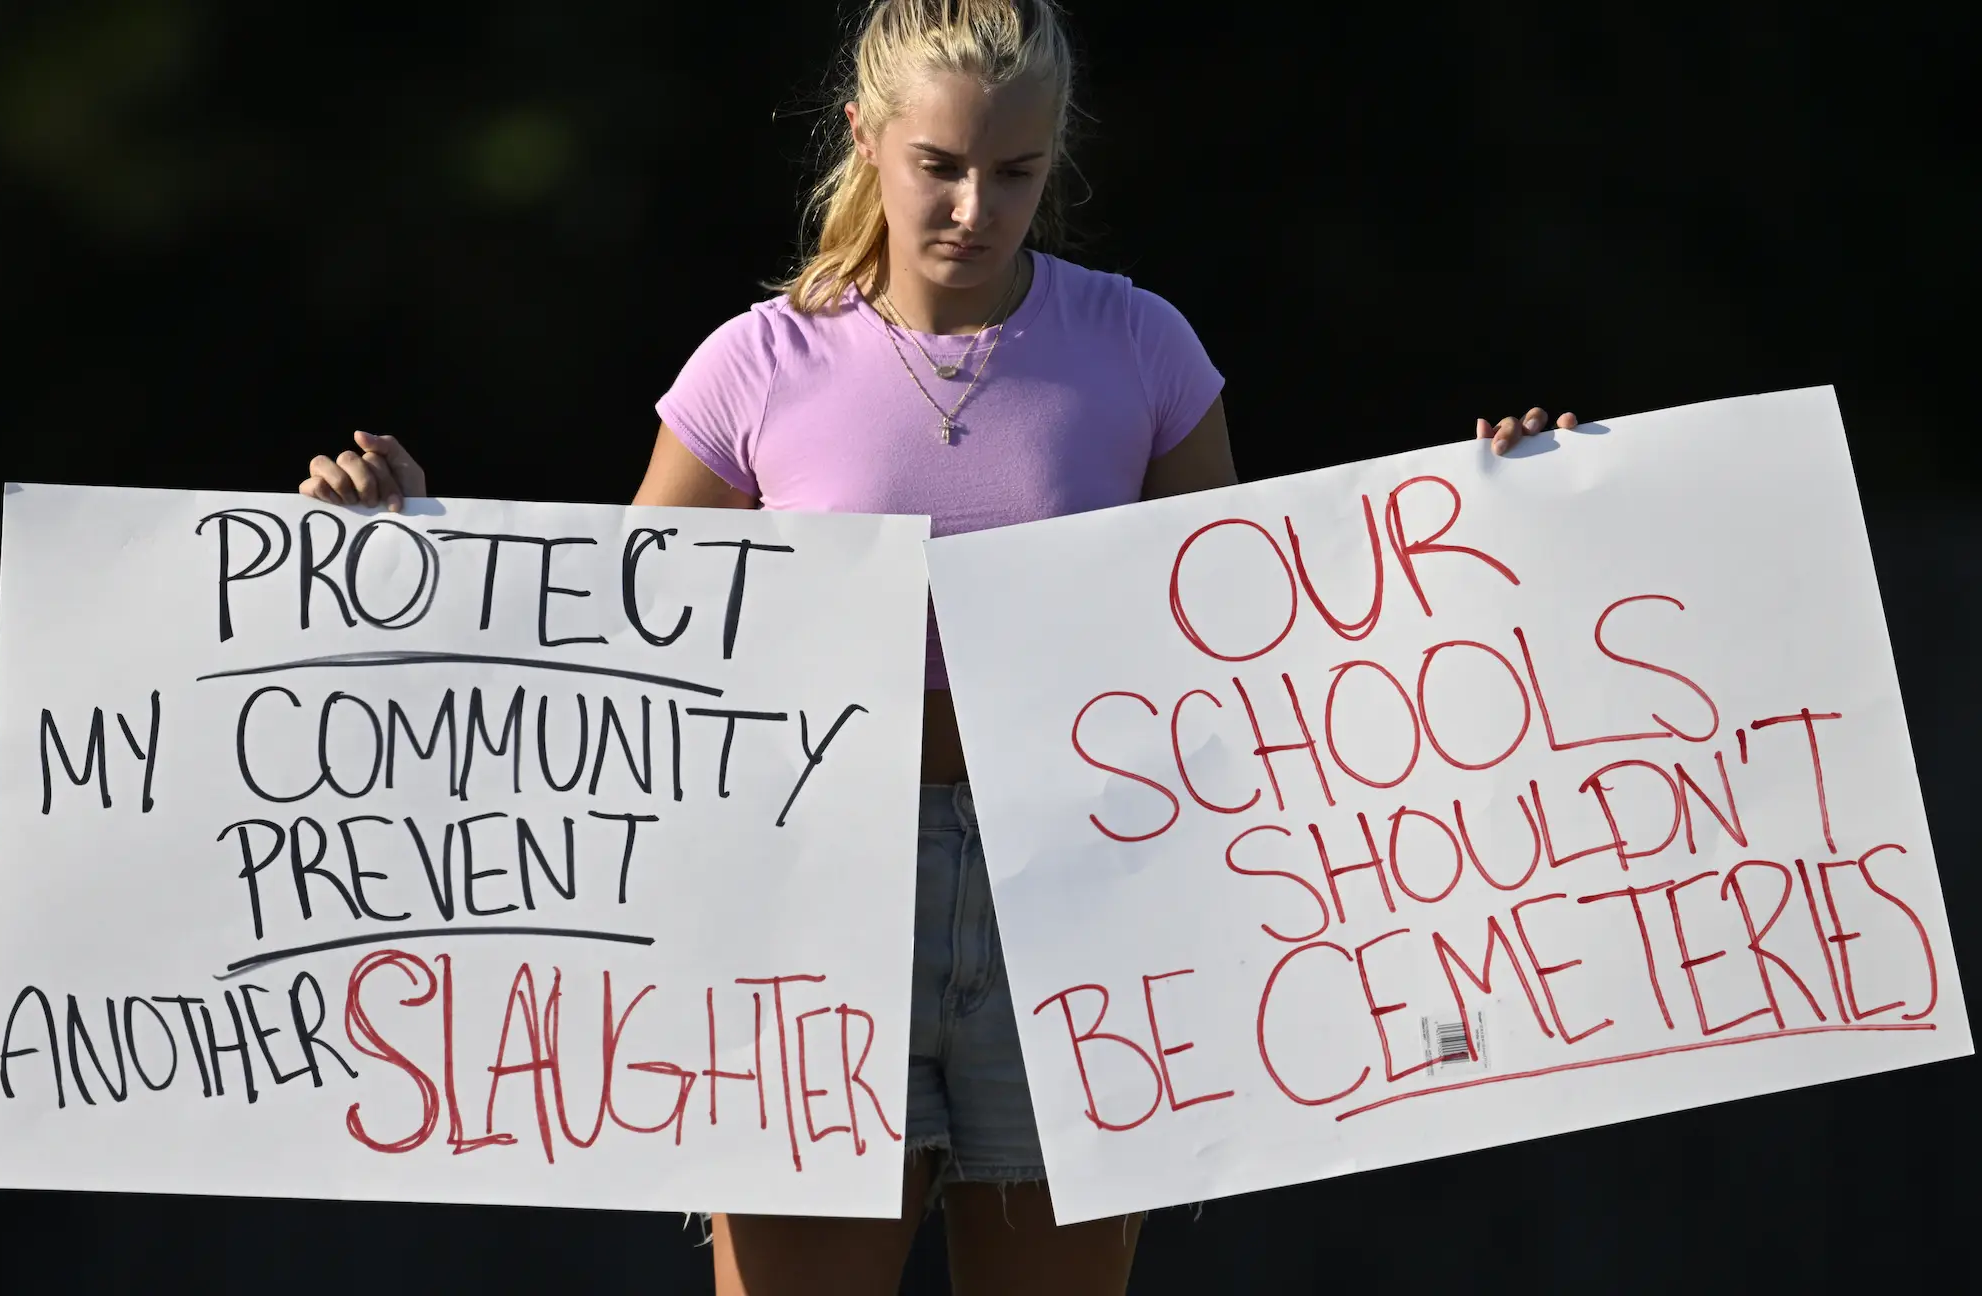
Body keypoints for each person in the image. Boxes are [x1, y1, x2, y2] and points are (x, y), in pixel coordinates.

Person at [296, 3, 1577, 1290]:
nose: (977, 206)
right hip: (812, 892)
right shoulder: (759, 366)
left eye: (1016, 173)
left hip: (1074, 883)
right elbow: (615, 640)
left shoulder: (1139, 347)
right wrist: (410, 549)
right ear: (866, 139)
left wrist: (1493, 514)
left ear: (1057, 156)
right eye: (942, 167)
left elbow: (1246, 627)